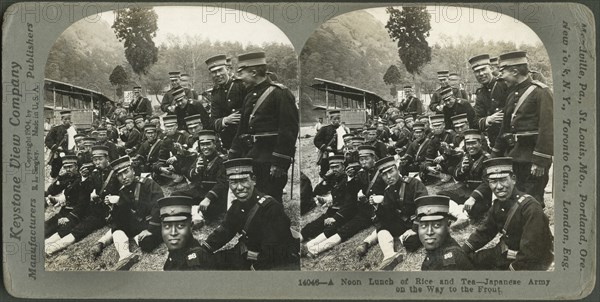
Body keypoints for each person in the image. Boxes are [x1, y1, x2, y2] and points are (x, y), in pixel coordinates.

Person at [190, 158, 300, 270]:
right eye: (233, 182)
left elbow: (275, 252)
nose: (239, 188)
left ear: (254, 180)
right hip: (244, 254)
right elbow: (223, 232)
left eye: (243, 181)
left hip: (271, 262)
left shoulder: (270, 208)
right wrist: (201, 252)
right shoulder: (237, 206)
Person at [229, 51, 299, 203]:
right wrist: (233, 155)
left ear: (254, 72)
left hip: (270, 160)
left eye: (242, 74)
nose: (240, 80)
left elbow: (289, 130)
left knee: (271, 199)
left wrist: (279, 163)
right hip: (252, 156)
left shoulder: (280, 93)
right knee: (254, 198)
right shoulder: (249, 95)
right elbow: (242, 129)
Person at [461, 157, 554, 270]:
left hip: (529, 262)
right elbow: (484, 232)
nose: (499, 187)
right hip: (504, 252)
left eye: (503, 180)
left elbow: (530, 252)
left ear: (513, 179)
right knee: (465, 261)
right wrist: (463, 251)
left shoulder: (530, 208)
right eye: (493, 181)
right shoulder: (497, 205)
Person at [491, 50, 553, 206]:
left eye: (502, 71)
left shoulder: (541, 92)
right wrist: (495, 155)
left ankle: (538, 229)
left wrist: (540, 160)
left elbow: (548, 128)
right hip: (514, 157)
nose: (501, 76)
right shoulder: (511, 94)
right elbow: (505, 129)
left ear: (515, 71)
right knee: (516, 200)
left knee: (532, 201)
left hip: (532, 159)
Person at [98, 156, 164, 270]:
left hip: (153, 221)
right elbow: (121, 218)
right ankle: (125, 256)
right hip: (137, 224)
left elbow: (158, 205)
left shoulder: (148, 183)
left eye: (126, 172)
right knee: (117, 228)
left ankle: (134, 238)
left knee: (147, 244)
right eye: (119, 175)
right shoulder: (122, 191)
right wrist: (113, 205)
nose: (124, 177)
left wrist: (150, 229)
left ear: (133, 170)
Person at [369, 156, 428, 270]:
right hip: (404, 224)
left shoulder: (413, 183)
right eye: (384, 174)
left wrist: (414, 228)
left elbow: (424, 205)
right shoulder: (388, 191)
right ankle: (390, 255)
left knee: (411, 243)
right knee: (382, 226)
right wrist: (377, 206)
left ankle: (405, 237)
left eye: (391, 171)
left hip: (420, 220)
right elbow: (387, 216)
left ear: (398, 169)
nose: (389, 177)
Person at [171, 130, 229, 225]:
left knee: (208, 209)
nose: (205, 148)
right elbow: (190, 176)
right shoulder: (200, 157)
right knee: (175, 195)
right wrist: (196, 170)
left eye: (208, 144)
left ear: (215, 144)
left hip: (216, 197)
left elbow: (222, 183)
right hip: (200, 192)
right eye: (202, 145)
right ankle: (194, 213)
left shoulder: (222, 160)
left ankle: (193, 215)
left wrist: (208, 198)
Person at [301, 155, 357, 245]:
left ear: (343, 166)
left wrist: (335, 218)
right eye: (332, 167)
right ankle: (298, 239)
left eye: (337, 167)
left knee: (331, 228)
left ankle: (310, 246)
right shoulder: (334, 178)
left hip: (346, 213)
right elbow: (315, 192)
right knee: (314, 225)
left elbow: (349, 203)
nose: (334, 170)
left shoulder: (349, 179)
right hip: (333, 210)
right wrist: (325, 179)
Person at [436, 129, 492, 220]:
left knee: (475, 209)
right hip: (466, 190)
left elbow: (487, 182)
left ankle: (458, 212)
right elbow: (456, 176)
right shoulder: (466, 156)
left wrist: (473, 198)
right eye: (468, 144)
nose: (471, 147)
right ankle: (461, 214)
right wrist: (462, 170)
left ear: (480, 143)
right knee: (440, 195)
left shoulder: (488, 159)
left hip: (481, 195)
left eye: (474, 143)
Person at [416, 195, 475, 270]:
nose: (429, 232)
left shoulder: (451, 260)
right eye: (424, 226)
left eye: (436, 225)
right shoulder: (437, 248)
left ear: (448, 225)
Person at [206, 54, 247, 150]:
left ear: (227, 70)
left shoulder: (241, 85)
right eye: (214, 72)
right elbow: (212, 122)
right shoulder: (215, 93)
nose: (217, 75)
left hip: (245, 139)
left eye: (220, 70)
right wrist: (225, 120)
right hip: (229, 142)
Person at [469, 54, 510, 148]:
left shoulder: (504, 84)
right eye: (477, 71)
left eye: (483, 69)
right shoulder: (480, 93)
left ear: (491, 69)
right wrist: (489, 119)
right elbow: (476, 121)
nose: (481, 74)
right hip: (495, 142)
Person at [44, 155, 89, 239]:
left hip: (77, 214)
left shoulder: (82, 179)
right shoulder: (66, 177)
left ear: (76, 166)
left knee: (61, 230)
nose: (68, 169)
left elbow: (82, 202)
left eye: (70, 167)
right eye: (65, 167)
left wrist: (69, 217)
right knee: (45, 227)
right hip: (65, 210)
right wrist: (49, 196)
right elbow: (52, 190)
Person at [158, 196, 204, 270]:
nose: (173, 233)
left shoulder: (194, 264)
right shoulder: (180, 248)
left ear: (191, 226)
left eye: (180, 226)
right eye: (167, 226)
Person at [314, 110, 347, 178]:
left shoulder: (343, 130)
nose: (337, 121)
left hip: (340, 155)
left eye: (338, 119)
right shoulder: (324, 129)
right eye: (335, 119)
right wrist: (325, 148)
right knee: (326, 173)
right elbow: (316, 140)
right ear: (330, 119)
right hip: (328, 156)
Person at [45, 110, 73, 178]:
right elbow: (48, 140)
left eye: (69, 119)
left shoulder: (73, 129)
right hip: (58, 154)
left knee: (70, 171)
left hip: (70, 153)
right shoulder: (56, 129)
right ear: (61, 119)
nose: (67, 121)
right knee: (55, 172)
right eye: (65, 119)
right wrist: (56, 147)